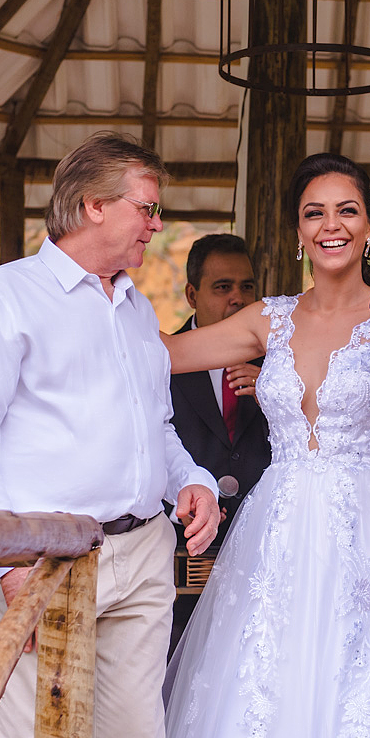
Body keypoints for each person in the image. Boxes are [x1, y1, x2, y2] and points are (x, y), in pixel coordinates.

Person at [0, 132, 221, 738]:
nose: (157, 224)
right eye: (147, 208)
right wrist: (11, 562)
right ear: (93, 205)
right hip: (44, 558)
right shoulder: (1, 297)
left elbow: (156, 427)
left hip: (144, 553)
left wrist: (191, 479)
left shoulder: (139, 309)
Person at [162, 153, 370, 738]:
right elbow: (165, 354)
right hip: (276, 531)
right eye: (314, 213)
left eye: (346, 211)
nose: (331, 225)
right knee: (262, 681)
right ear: (299, 231)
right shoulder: (268, 319)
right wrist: (105, 287)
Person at [167, 234, 271, 652]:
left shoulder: (279, 362)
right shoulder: (165, 361)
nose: (237, 298)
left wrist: (273, 391)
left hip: (262, 548)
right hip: (183, 552)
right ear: (192, 294)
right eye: (223, 286)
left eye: (247, 286)